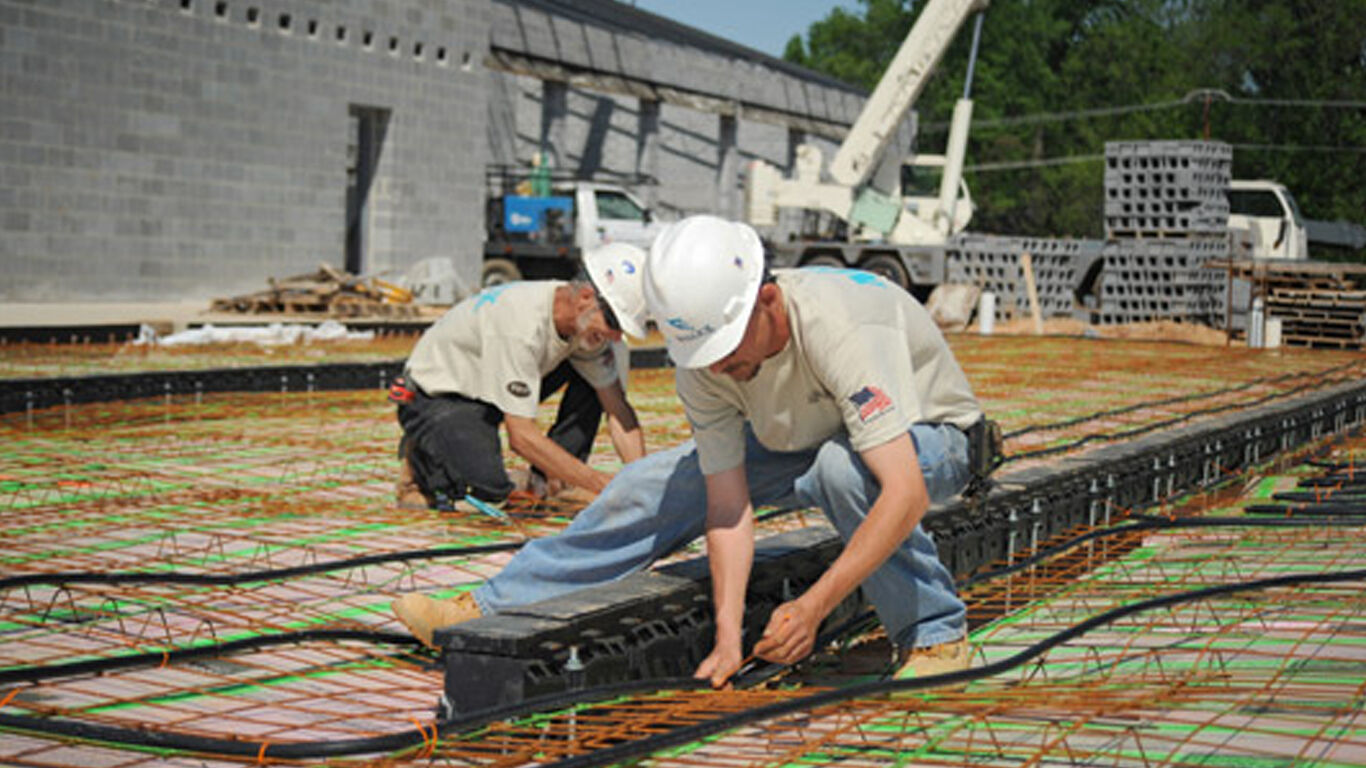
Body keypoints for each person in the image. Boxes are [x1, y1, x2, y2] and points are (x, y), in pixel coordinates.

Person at [393, 217, 984, 688]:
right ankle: (489, 602)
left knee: (843, 471)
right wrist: (728, 633)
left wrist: (814, 607)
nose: (721, 370)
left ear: (769, 301)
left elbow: (902, 489)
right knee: (649, 483)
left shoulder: (840, 324)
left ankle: (935, 630)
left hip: (928, 437)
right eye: (707, 357)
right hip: (806, 434)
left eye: (727, 351)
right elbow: (726, 506)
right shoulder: (704, 361)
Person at [390, 242, 649, 512]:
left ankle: (555, 482)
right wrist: (601, 483)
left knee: (598, 382)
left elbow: (617, 409)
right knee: (487, 494)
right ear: (585, 298)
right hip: (439, 396)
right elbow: (521, 436)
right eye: (614, 323)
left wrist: (642, 482)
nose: (617, 336)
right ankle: (422, 465)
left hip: (492, 381)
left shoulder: (580, 324)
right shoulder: (521, 325)